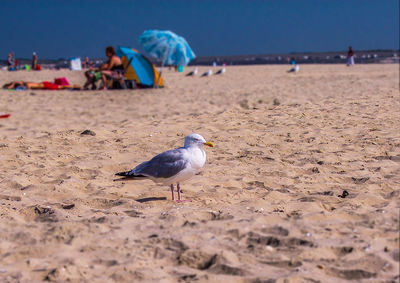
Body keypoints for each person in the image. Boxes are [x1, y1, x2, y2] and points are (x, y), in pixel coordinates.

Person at [3, 81, 80, 90]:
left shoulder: (26, 84)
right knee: (61, 87)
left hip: (44, 85)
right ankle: (74, 86)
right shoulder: (25, 83)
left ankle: (74, 86)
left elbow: (15, 83)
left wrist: (10, 86)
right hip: (43, 84)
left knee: (61, 87)